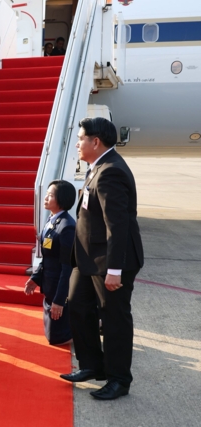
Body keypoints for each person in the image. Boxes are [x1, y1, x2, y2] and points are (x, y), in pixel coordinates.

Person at [60, 117, 144, 401]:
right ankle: (92, 365)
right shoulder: (97, 167)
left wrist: (115, 269)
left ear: (95, 141)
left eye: (80, 138)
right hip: (88, 259)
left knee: (114, 319)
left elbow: (117, 225)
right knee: (78, 306)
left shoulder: (111, 171)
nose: (77, 143)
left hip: (110, 261)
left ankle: (119, 379)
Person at [24, 180, 76, 346]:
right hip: (50, 284)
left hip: (59, 287)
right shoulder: (51, 220)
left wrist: (60, 300)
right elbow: (48, 257)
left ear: (62, 199)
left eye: (50, 195)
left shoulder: (67, 227)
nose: (45, 198)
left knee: (57, 339)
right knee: (52, 337)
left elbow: (67, 268)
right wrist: (35, 278)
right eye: (46, 194)